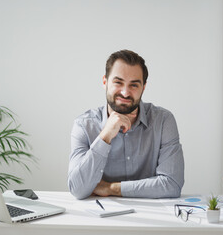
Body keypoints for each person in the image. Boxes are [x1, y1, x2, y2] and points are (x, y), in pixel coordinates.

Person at [68, 49, 184, 199]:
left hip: (152, 215)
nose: (125, 93)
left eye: (134, 85)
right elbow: (77, 189)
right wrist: (105, 136)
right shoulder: (84, 125)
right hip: (101, 217)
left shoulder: (163, 121)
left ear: (144, 87)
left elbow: (172, 185)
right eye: (118, 82)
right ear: (105, 82)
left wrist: (112, 188)